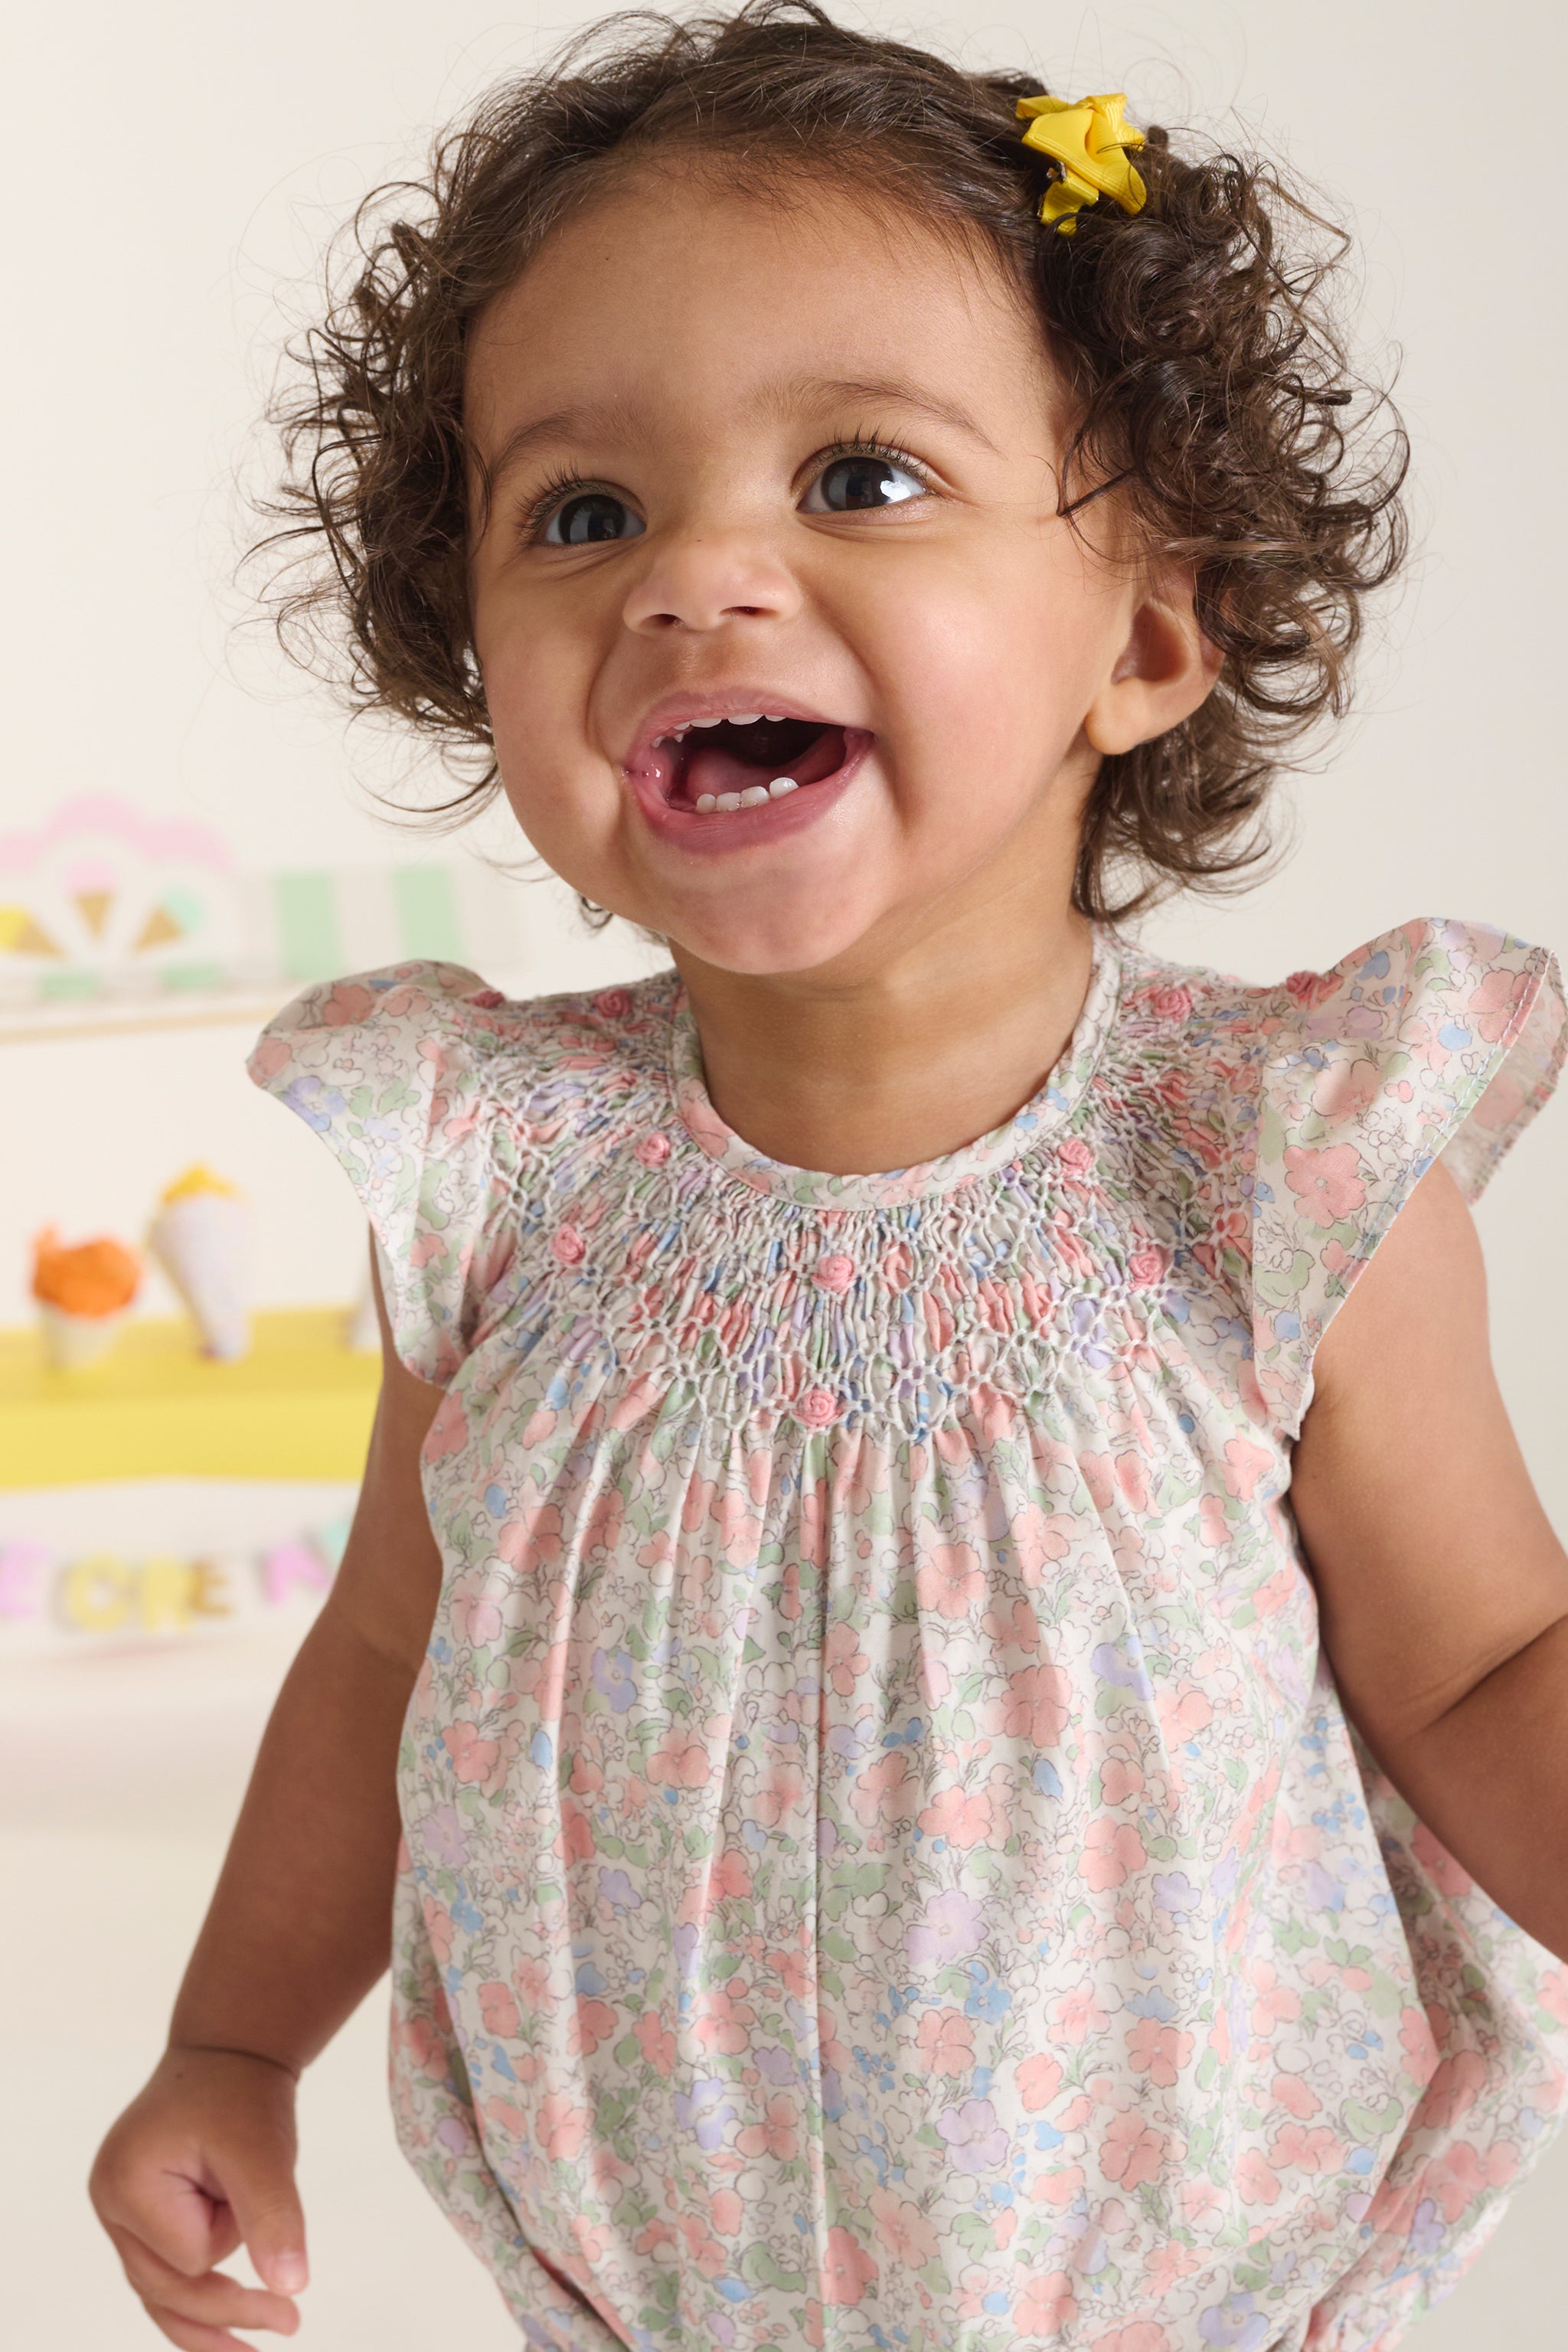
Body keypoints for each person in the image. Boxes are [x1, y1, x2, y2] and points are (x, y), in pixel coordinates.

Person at [90, 7, 1568, 2348]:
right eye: (583, 515)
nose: (696, 580)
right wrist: (232, 2041)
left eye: (863, 479)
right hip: (659, 2287)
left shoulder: (1267, 1169)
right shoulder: (507, 1183)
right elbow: (393, 1651)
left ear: (1152, 632)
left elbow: (1485, 1662)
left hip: (1189, 2289)